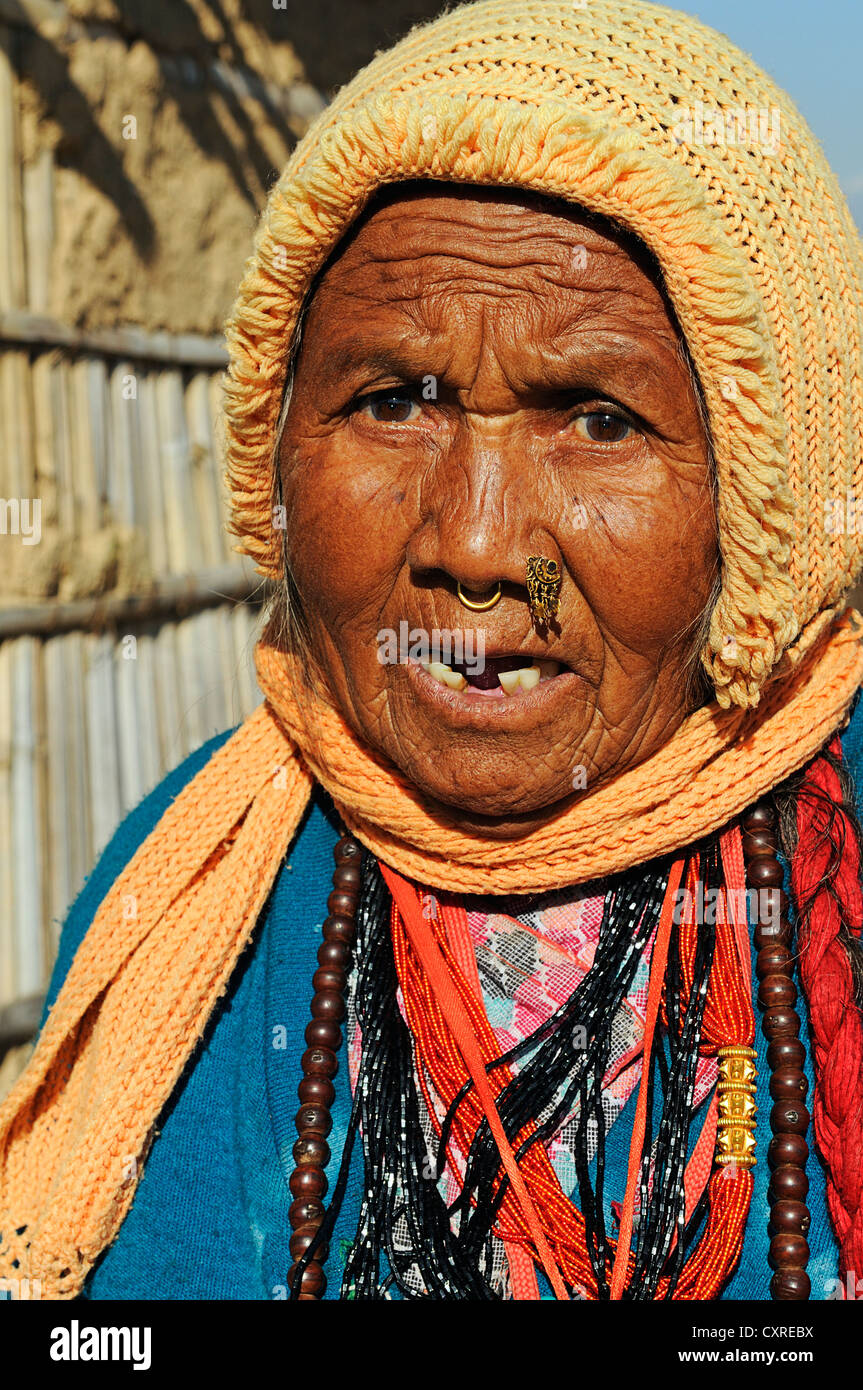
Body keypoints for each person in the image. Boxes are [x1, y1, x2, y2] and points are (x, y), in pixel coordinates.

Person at [2, 0, 862, 1302]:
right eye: (392, 400)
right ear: (276, 456)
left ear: (765, 489)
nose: (473, 541)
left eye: (597, 417)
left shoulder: (826, 866)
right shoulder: (179, 882)